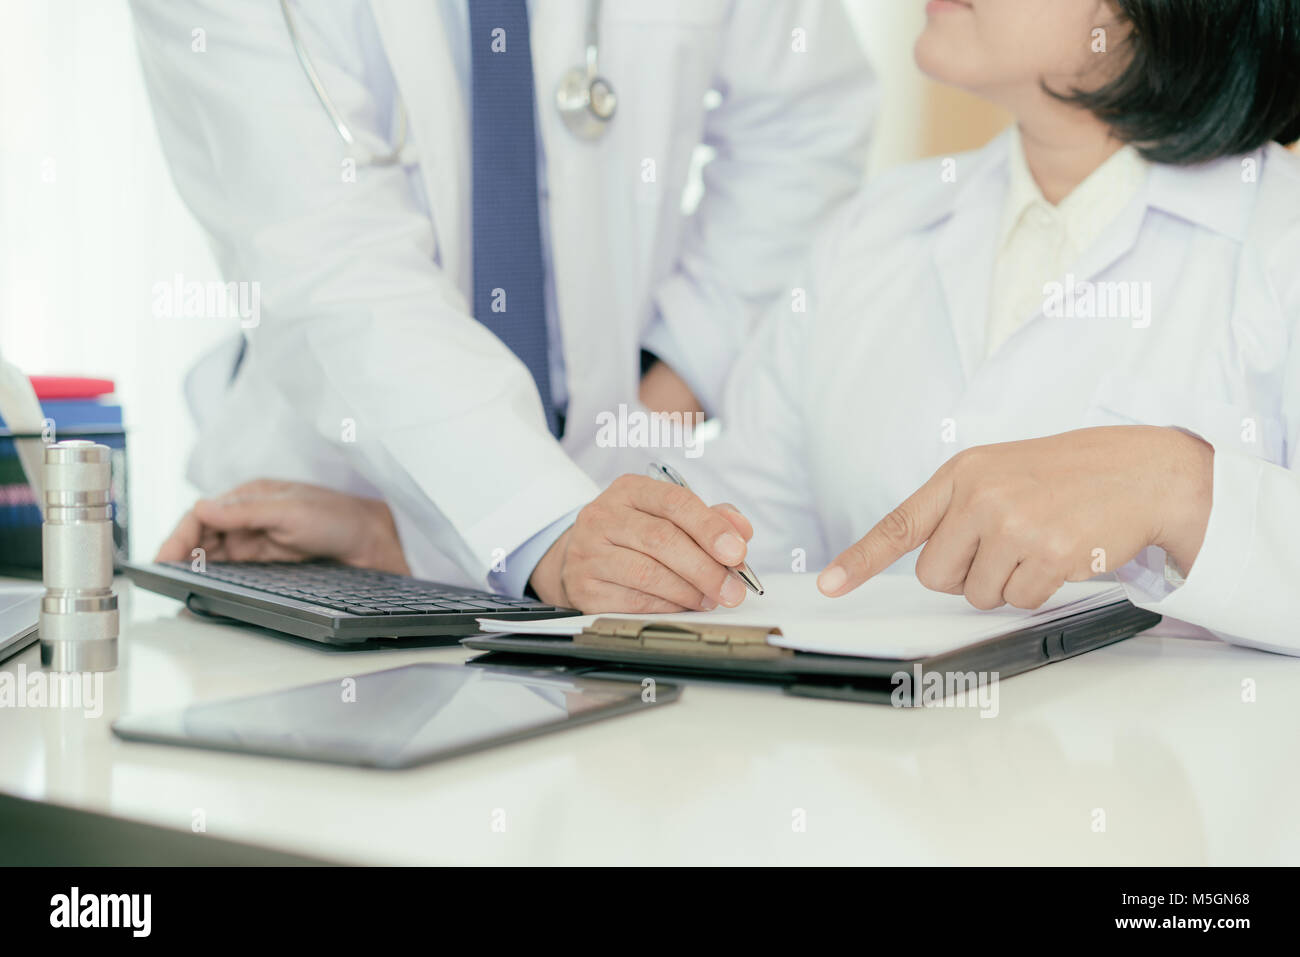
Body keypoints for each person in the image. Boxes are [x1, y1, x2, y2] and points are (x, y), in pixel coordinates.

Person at [538, 0, 1300, 656]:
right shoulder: (871, 233)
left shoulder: (1278, 242)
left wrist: (1182, 491)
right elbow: (751, 544)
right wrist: (651, 555)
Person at [133, 0, 874, 611]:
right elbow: (330, 263)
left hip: (602, 516)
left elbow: (805, 123)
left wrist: (671, 373)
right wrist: (540, 521)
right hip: (338, 547)